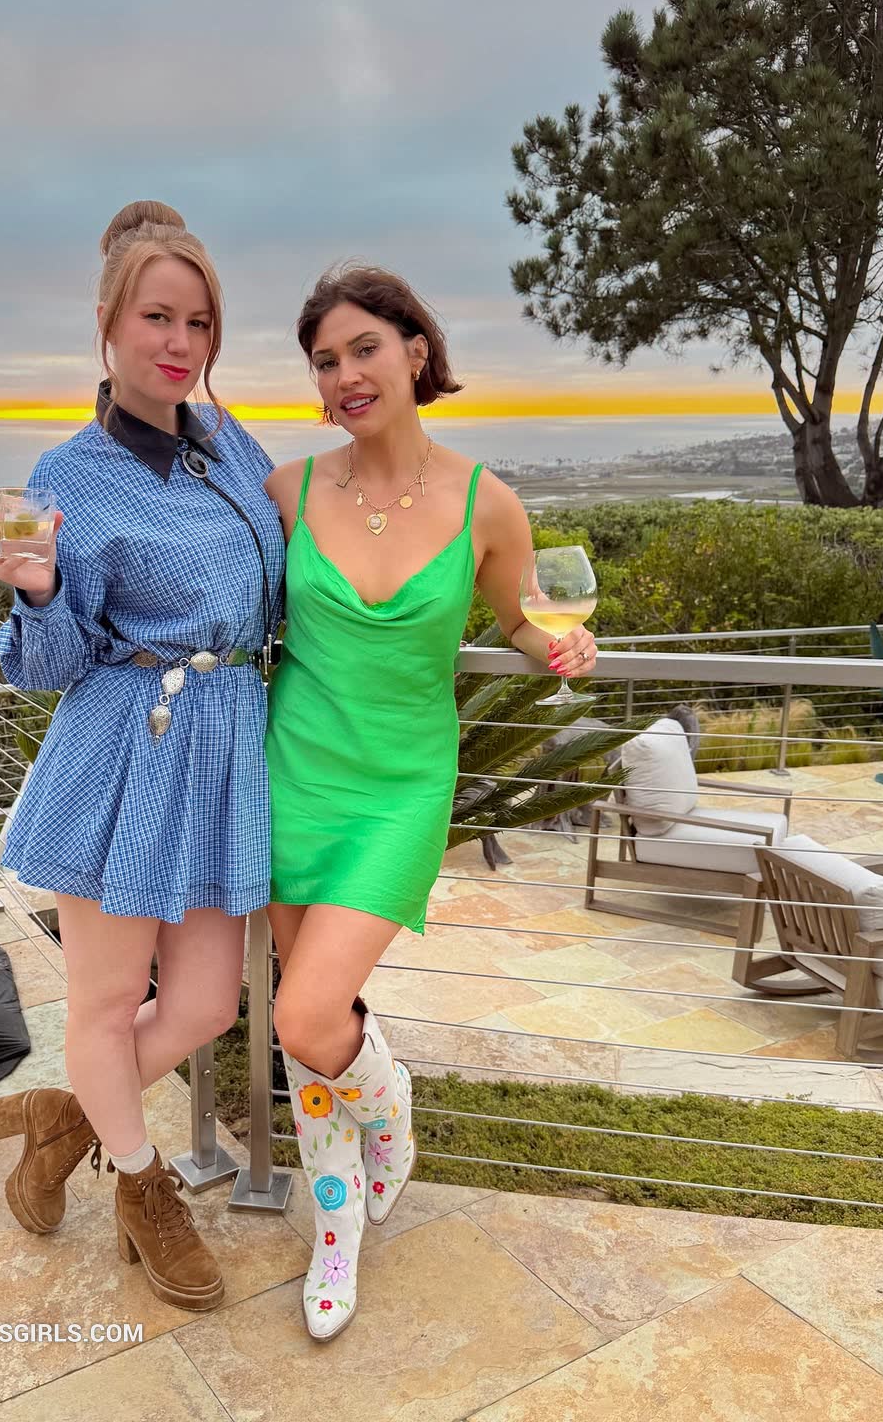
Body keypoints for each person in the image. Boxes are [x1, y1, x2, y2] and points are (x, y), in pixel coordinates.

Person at [263, 264, 597, 1340]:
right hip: (292, 776)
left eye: (364, 348)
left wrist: (559, 642)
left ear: (415, 351)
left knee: (307, 1015)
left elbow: (519, 617)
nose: (346, 375)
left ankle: (392, 1108)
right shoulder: (287, 490)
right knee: (308, 1030)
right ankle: (335, 1227)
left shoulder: (485, 501)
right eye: (326, 361)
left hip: (402, 787)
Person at [0, 201, 284, 1312]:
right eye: (158, 317)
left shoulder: (230, 444)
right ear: (107, 325)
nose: (180, 342)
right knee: (108, 1004)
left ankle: (64, 1122)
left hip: (223, 750)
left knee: (204, 1005)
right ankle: (145, 1187)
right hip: (127, 749)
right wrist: (36, 591)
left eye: (199, 322)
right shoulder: (69, 473)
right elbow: (48, 665)